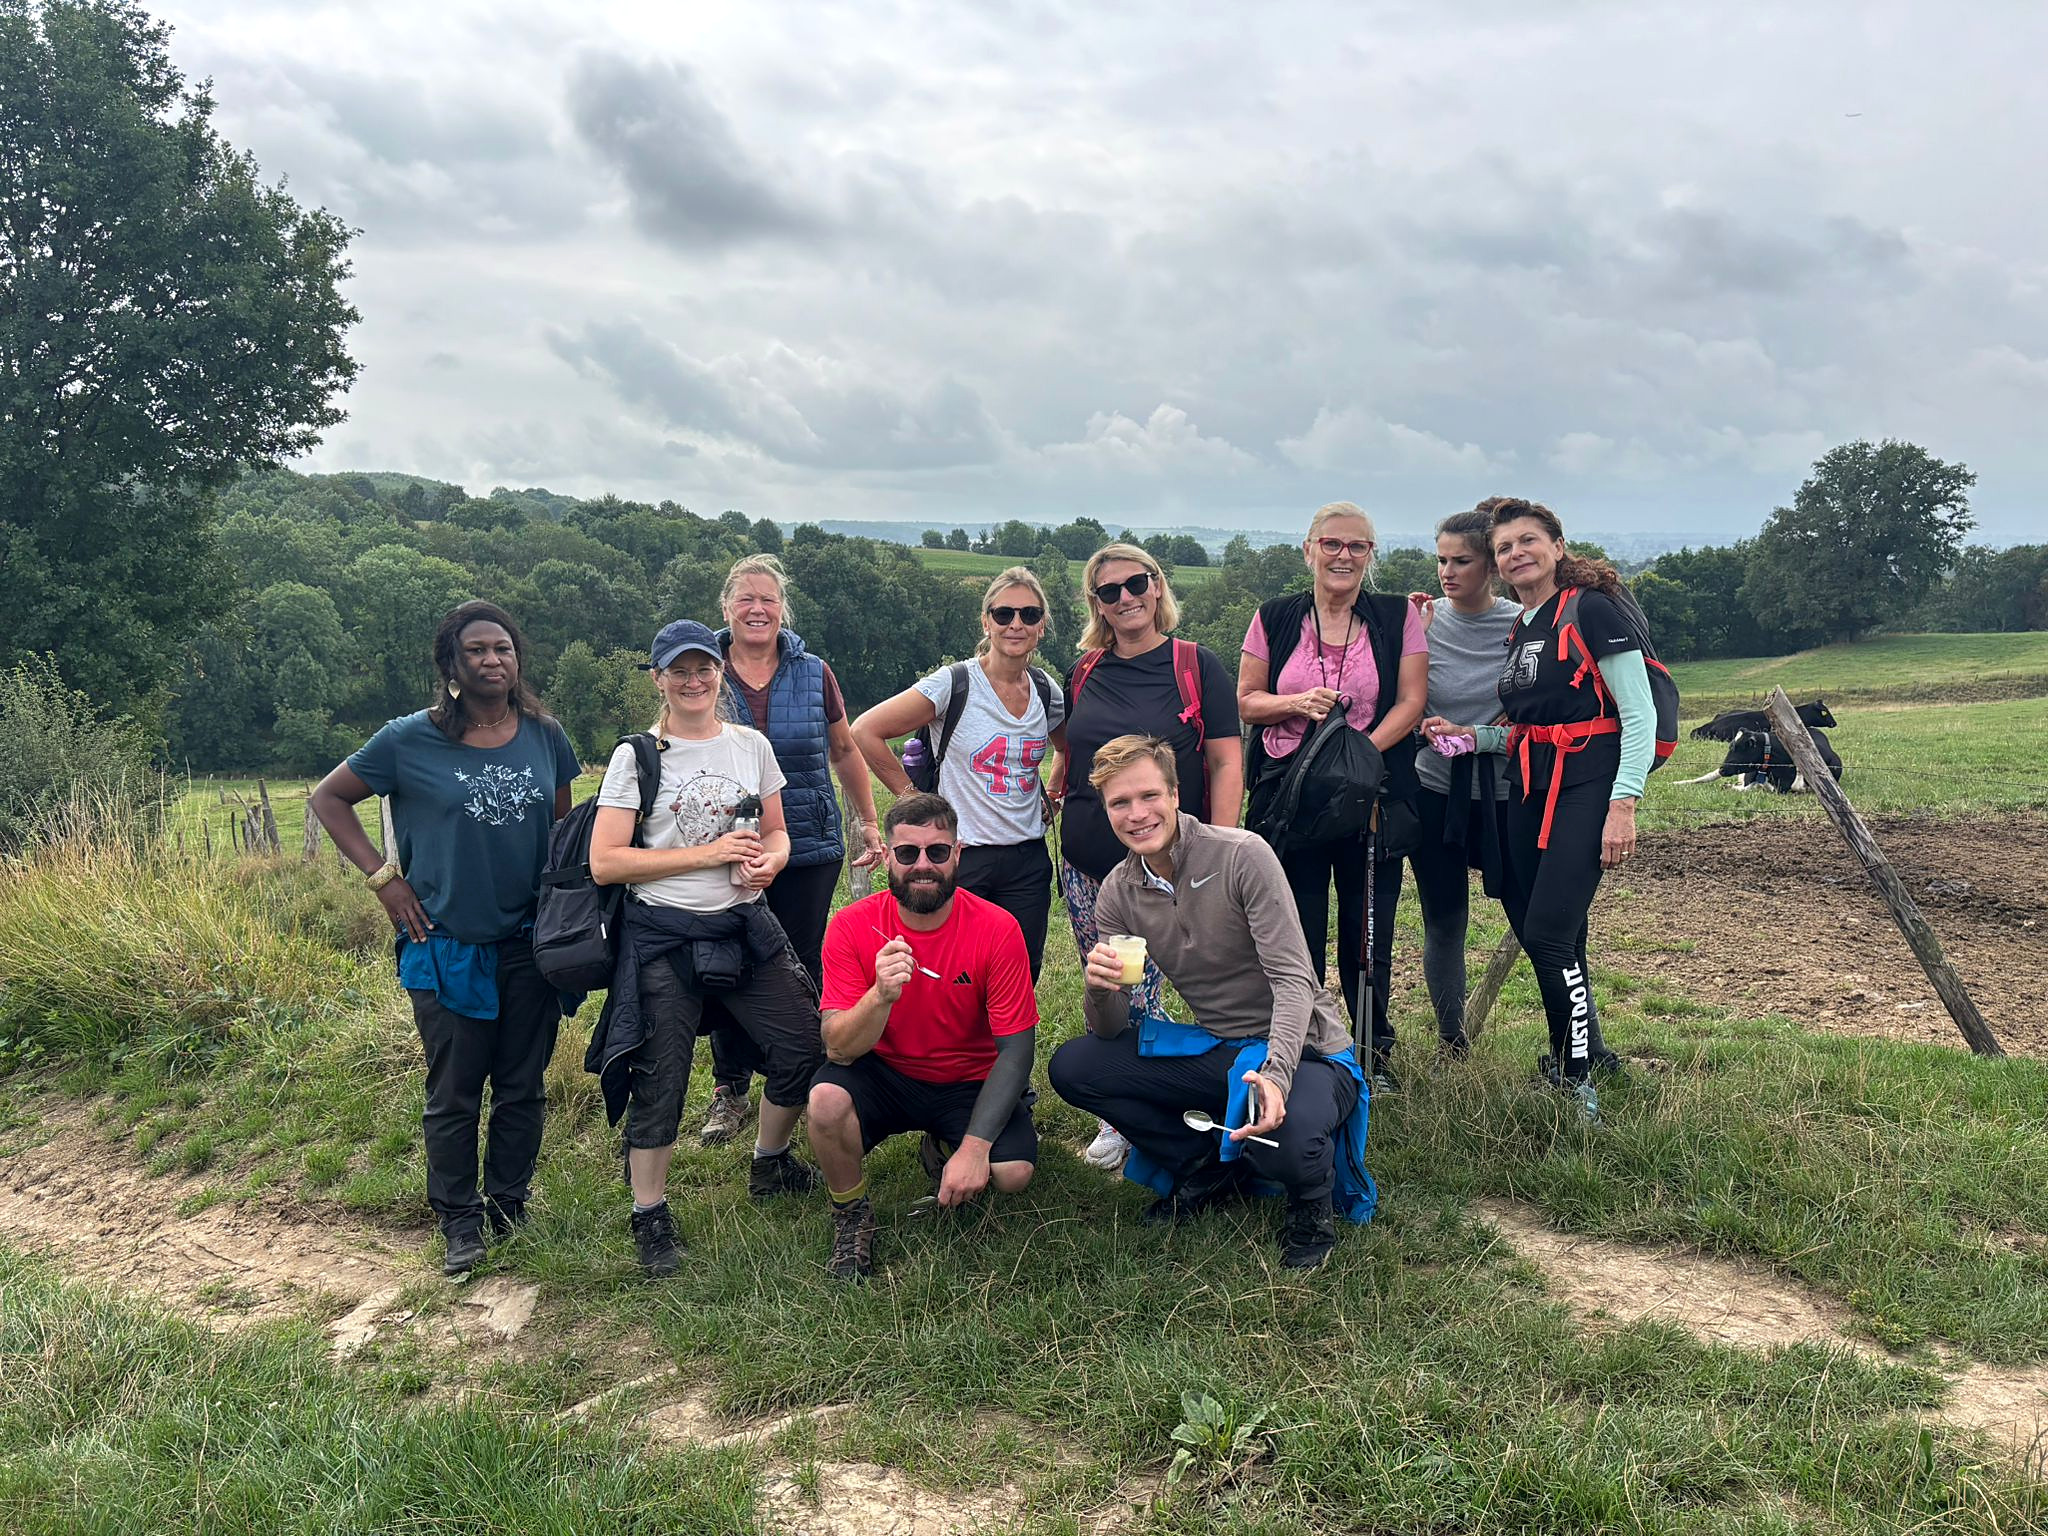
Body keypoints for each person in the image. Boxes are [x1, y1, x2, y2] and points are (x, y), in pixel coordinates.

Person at [309, 601, 580, 1276]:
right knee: (456, 1089)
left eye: (504, 649)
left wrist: (566, 913)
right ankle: (458, 1220)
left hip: (529, 943)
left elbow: (562, 835)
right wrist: (384, 879)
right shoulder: (408, 740)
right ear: (451, 665)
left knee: (523, 1085)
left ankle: (509, 1204)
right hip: (446, 944)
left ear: (518, 660)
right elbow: (328, 799)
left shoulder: (545, 736)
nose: (493, 660)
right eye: (478, 650)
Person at [1047, 736, 1371, 1271]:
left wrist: (1276, 1073)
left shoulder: (1242, 854)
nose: (1137, 814)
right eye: (1119, 803)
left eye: (1149, 795)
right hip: (1222, 1047)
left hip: (1306, 1049)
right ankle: (1207, 1164)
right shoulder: (1119, 892)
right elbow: (1108, 1030)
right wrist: (1099, 989)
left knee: (1284, 1138)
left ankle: (1310, 1207)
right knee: (1076, 1066)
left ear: (1176, 794)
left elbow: (1294, 980)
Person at [586, 619, 824, 1277]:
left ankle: (770, 1164)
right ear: (658, 678)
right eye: (678, 670)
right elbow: (606, 862)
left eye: (703, 668)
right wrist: (710, 854)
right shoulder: (639, 755)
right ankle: (650, 1214)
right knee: (659, 1074)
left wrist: (766, 866)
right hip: (664, 934)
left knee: (804, 1042)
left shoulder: (750, 744)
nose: (694, 680)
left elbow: (778, 835)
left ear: (719, 671)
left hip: (744, 924)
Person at [1055, 542, 1242, 1171]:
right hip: (1086, 859)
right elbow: (1073, 750)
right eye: (1109, 591)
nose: (1126, 597)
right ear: (1096, 604)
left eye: (1137, 582)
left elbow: (1224, 759)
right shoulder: (1084, 670)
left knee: (1199, 979)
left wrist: (1220, 846)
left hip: (1172, 861)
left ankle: (1208, 1091)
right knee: (1116, 985)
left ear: (1158, 586)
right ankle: (1126, 1112)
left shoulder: (1197, 664)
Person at [808, 792, 1039, 1282]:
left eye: (937, 852)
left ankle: (945, 1144)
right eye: (908, 853)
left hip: (967, 1079)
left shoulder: (998, 928)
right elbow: (837, 1046)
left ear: (958, 855)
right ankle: (852, 1216)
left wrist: (975, 1148)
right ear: (887, 858)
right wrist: (880, 996)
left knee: (1013, 1174)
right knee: (826, 1101)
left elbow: (1017, 1050)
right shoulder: (851, 926)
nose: (923, 866)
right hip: (886, 1072)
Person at [1237, 502, 1426, 1088]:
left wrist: (1356, 758)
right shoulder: (1273, 617)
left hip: (1373, 799)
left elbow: (1412, 701)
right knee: (1297, 929)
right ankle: (1312, 1046)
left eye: (1357, 547)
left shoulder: (1397, 618)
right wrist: (1297, 703)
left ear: (1371, 555)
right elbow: (1246, 699)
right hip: (1290, 804)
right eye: (1332, 544)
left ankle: (1374, 1052)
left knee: (1369, 931)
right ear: (1309, 549)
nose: (1344, 556)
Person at [698, 555, 884, 1150]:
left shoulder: (813, 672)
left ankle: (796, 1075)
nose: (757, 609)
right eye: (746, 599)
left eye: (769, 600)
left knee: (799, 963)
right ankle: (730, 1088)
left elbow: (845, 750)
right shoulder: (702, 671)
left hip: (806, 844)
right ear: (726, 609)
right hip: (722, 846)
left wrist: (868, 823)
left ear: (783, 610)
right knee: (726, 961)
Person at [1485, 498, 1655, 1122]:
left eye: (1528, 540)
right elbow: (1532, 723)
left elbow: (1636, 714)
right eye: (1504, 548)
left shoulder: (1591, 609)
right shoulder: (1524, 623)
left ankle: (1575, 1083)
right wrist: (1471, 734)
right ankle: (1585, 1054)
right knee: (1549, 929)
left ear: (1558, 546)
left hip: (1588, 784)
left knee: (1549, 934)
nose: (1515, 553)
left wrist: (1623, 804)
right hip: (1532, 783)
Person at [849, 566, 1066, 980]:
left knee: (1021, 970)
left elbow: (1067, 746)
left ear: (1042, 625)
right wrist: (911, 797)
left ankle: (1005, 1046)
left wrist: (1053, 791)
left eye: (1029, 614)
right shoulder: (955, 683)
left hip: (1027, 858)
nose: (1016, 624)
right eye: (1004, 615)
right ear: (986, 621)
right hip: (963, 856)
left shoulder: (1045, 690)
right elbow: (866, 730)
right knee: (956, 972)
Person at [1406, 509, 1521, 1057]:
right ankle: (1453, 1041)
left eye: (1462, 561)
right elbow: (1400, 699)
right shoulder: (1420, 624)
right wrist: (1413, 644)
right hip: (1436, 791)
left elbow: (1545, 713)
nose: (1447, 572)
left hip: (1509, 794)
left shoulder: (1528, 624)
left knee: (1541, 921)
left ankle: (1578, 1046)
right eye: (1441, 560)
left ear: (1492, 566)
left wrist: (1485, 735)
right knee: (1444, 919)